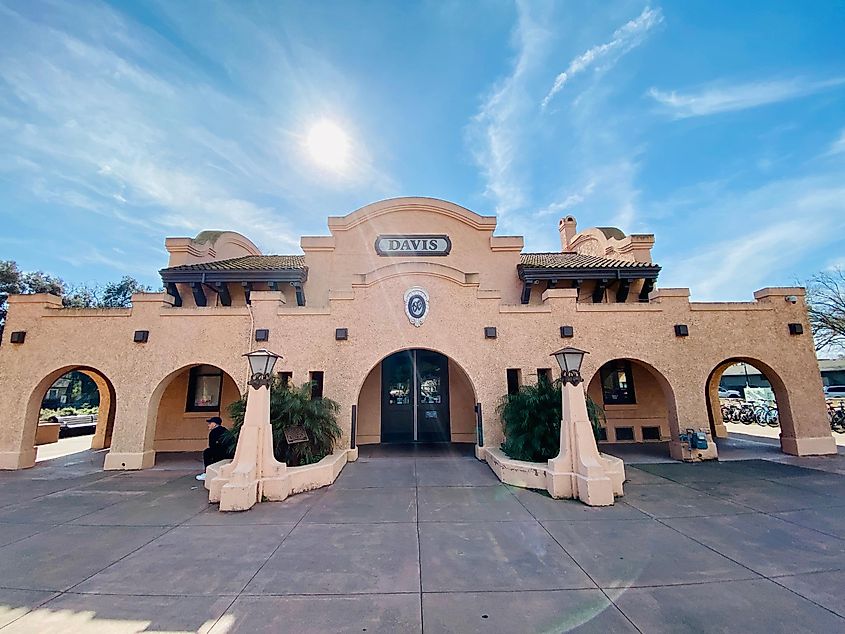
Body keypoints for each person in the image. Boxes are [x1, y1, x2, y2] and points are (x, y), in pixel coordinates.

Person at [196, 417, 230, 481]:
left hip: (220, 453)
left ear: (214, 424)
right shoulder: (225, 430)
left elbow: (213, 446)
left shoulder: (214, 432)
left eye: (210, 423)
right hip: (228, 453)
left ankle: (207, 473)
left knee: (207, 452)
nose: (208, 425)